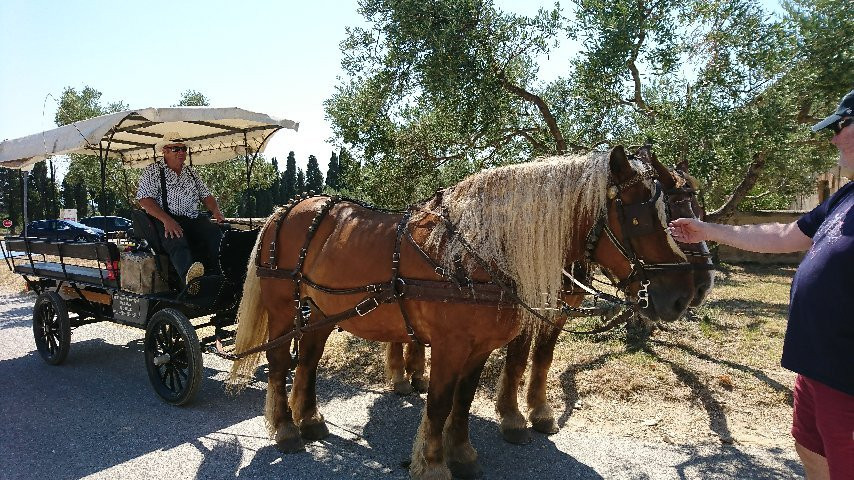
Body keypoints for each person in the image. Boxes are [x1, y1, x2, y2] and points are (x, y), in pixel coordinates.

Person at [669, 89, 854, 480]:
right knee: (811, 450)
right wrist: (707, 231)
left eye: (841, 126)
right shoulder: (845, 198)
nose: (834, 137)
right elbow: (784, 235)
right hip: (818, 367)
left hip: (847, 377)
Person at [137, 132, 225, 290]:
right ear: (165, 151)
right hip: (165, 219)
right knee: (176, 237)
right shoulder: (153, 171)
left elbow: (206, 196)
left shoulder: (190, 172)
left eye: (183, 149)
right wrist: (167, 220)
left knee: (215, 233)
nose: (181, 152)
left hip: (192, 218)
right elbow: (145, 200)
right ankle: (190, 281)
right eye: (176, 148)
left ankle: (223, 274)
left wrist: (216, 211)